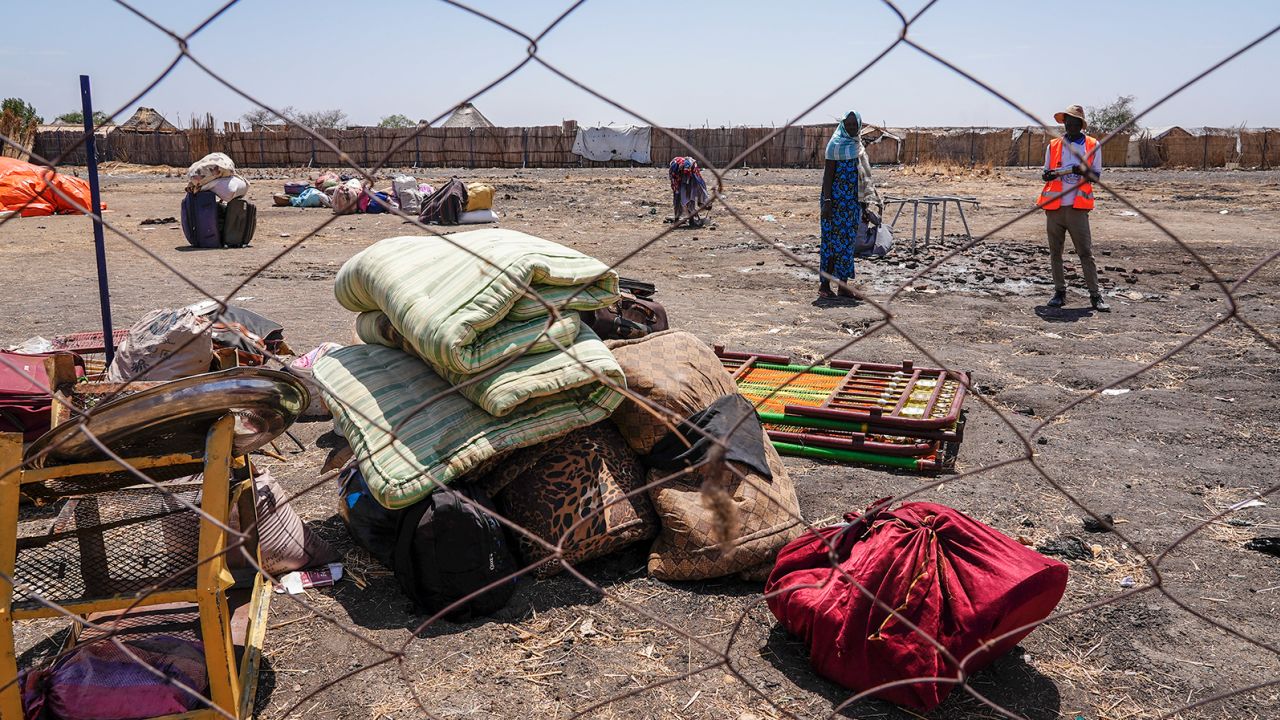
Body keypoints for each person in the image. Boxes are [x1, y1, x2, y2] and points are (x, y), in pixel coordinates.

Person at [1039, 104, 1109, 312]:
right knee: (1055, 252)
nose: (1069, 124)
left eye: (1073, 121)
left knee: (1085, 253)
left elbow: (1096, 177)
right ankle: (1059, 292)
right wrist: (1052, 174)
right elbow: (1045, 174)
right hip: (1055, 207)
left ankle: (1095, 295)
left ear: (1081, 124)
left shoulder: (1092, 145)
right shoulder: (1054, 145)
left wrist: (1082, 171)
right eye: (1066, 121)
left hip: (1078, 207)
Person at [820, 111, 882, 299]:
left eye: (855, 125)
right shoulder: (834, 146)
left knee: (847, 245)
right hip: (834, 203)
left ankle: (843, 286)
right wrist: (828, 202)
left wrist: (863, 206)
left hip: (852, 204)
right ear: (843, 125)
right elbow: (828, 177)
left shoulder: (858, 147)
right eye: (849, 125)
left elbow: (863, 178)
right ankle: (824, 286)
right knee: (831, 243)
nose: (852, 128)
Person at [669, 156, 709, 228]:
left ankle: (688, 220)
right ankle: (680, 220)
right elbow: (674, 179)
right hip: (680, 181)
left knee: (689, 200)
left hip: (688, 180)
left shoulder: (693, 175)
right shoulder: (676, 169)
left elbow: (701, 188)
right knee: (679, 199)